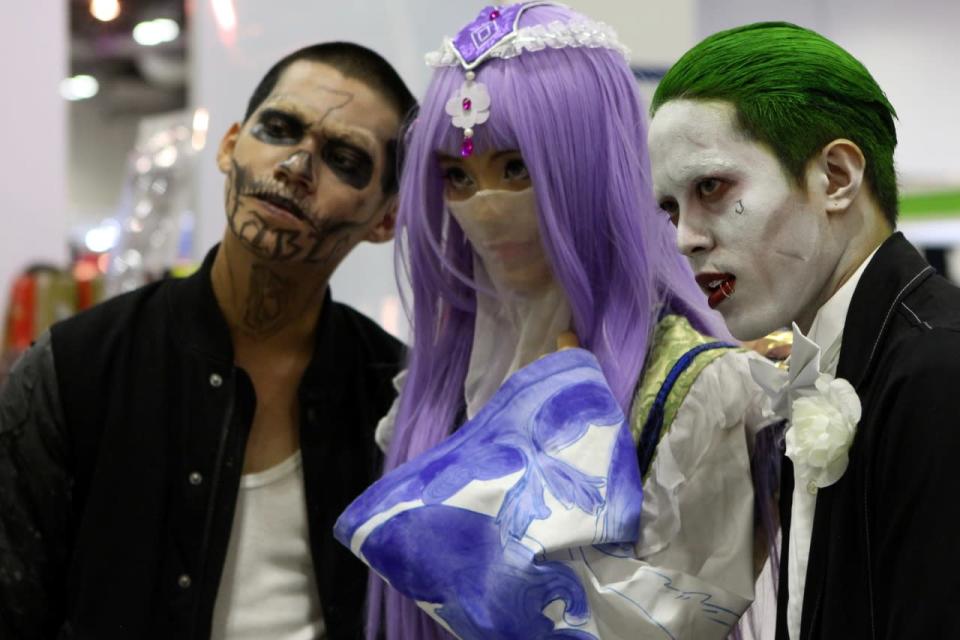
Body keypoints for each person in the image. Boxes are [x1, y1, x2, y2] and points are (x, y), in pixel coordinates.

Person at [333, 4, 774, 639]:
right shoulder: (437, 383)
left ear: (589, 164)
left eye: (515, 169)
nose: (483, 210)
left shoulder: (698, 391)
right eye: (456, 176)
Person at [0, 42, 414, 639]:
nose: (297, 166)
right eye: (279, 128)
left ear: (386, 219)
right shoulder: (76, 366)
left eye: (344, 157)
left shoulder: (398, 394)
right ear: (229, 145)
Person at [648, 22, 960, 639]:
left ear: (837, 176)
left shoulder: (937, 369)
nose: (685, 238)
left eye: (712, 188)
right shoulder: (833, 362)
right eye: (671, 208)